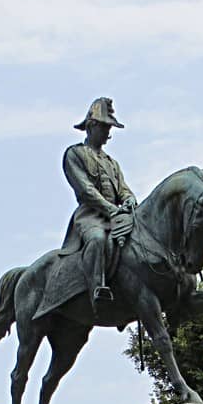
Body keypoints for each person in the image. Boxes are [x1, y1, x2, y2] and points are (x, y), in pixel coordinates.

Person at [59, 98, 135, 308]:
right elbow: (85, 191)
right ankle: (96, 288)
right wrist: (111, 209)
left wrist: (129, 200)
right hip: (91, 217)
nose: (108, 134)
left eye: (110, 128)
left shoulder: (112, 163)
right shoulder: (75, 154)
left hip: (116, 216)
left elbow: (123, 189)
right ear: (92, 125)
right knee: (97, 239)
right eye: (105, 127)